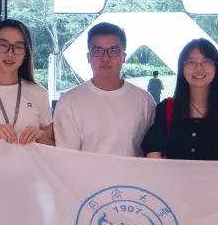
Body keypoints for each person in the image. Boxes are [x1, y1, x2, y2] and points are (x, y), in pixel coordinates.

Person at [53, 22, 155, 156]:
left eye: (113, 51)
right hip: (85, 170)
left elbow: (152, 152)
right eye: (98, 51)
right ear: (88, 57)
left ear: (124, 57)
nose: (105, 58)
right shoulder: (69, 101)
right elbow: (67, 157)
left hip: (133, 171)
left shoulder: (144, 101)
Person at [141, 39, 218, 160]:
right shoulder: (166, 109)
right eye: (191, 62)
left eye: (206, 61)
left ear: (216, 66)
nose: (199, 68)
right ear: (182, 68)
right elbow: (153, 150)